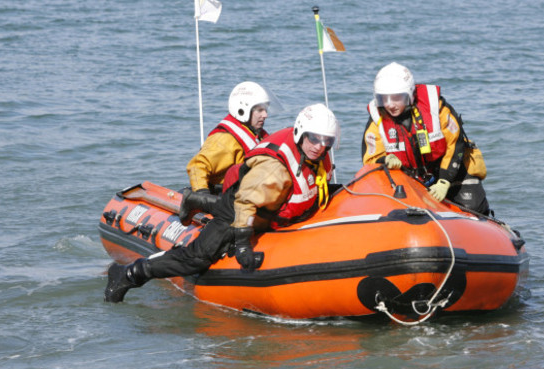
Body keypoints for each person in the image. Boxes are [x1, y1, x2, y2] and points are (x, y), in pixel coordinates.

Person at [105, 103, 339, 303]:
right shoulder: (274, 171)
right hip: (239, 204)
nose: (319, 145)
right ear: (301, 133)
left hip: (265, 205)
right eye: (314, 138)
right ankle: (129, 274)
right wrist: (243, 245)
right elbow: (245, 203)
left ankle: (198, 200)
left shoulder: (315, 155)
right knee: (196, 258)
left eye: (326, 140)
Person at [361, 62, 490, 215]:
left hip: (451, 171)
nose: (390, 104)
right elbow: (370, 157)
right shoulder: (378, 119)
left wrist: (444, 180)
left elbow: (455, 143)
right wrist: (385, 160)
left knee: (474, 207)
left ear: (409, 95)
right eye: (384, 99)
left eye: (396, 98)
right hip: (411, 177)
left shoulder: (436, 108)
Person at [179, 81, 272, 226]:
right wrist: (204, 198)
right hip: (225, 198)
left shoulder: (257, 135)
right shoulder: (225, 140)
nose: (265, 115)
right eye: (259, 110)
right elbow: (197, 167)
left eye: (265, 109)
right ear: (243, 110)